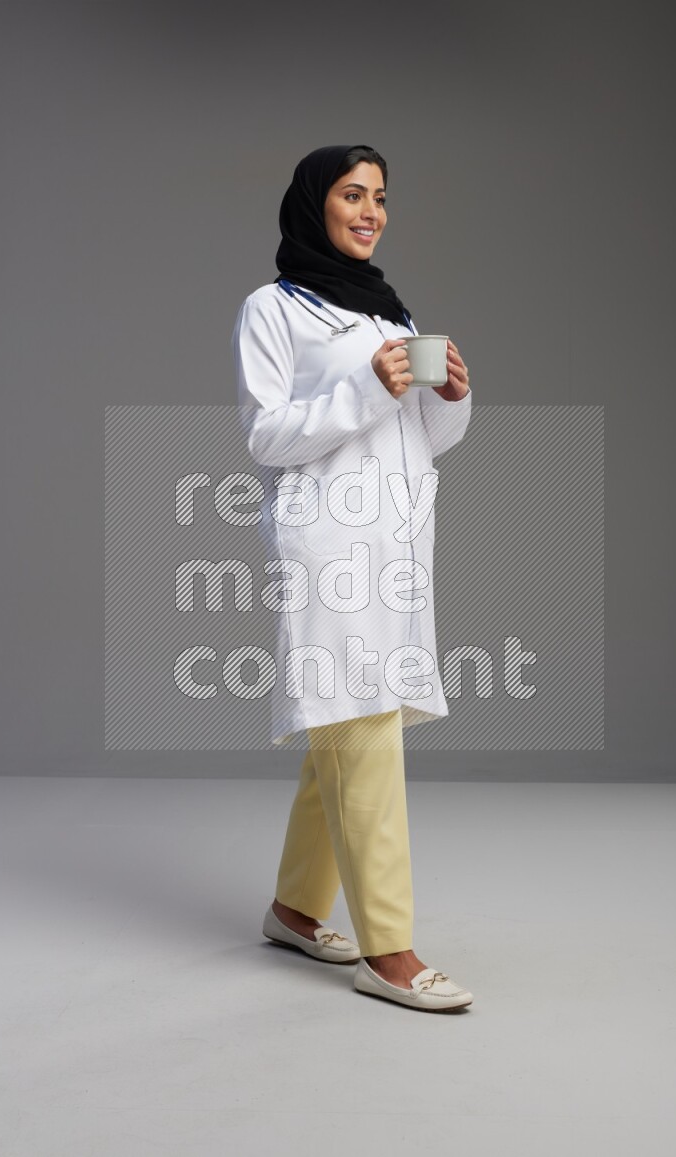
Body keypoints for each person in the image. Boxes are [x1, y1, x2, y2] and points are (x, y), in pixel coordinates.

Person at [232, 144, 474, 1011]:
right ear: (314, 205)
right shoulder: (274, 308)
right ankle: (391, 947)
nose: (370, 211)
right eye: (351, 194)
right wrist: (372, 390)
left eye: (379, 197)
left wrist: (445, 400)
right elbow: (266, 435)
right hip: (327, 541)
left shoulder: (389, 313)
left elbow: (410, 438)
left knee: (346, 722)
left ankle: (296, 909)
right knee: (365, 721)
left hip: (396, 540)